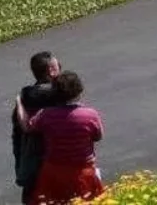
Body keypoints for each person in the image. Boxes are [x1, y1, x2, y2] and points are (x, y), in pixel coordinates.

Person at [13, 69, 105, 202]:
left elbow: (27, 127)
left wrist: (20, 104)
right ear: (79, 91)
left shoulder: (45, 115)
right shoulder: (90, 115)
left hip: (54, 170)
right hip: (83, 170)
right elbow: (98, 136)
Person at [12, 51, 60, 203]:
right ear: (51, 70)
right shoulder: (58, 95)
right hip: (56, 161)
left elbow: (17, 136)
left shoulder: (24, 99)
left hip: (30, 163)